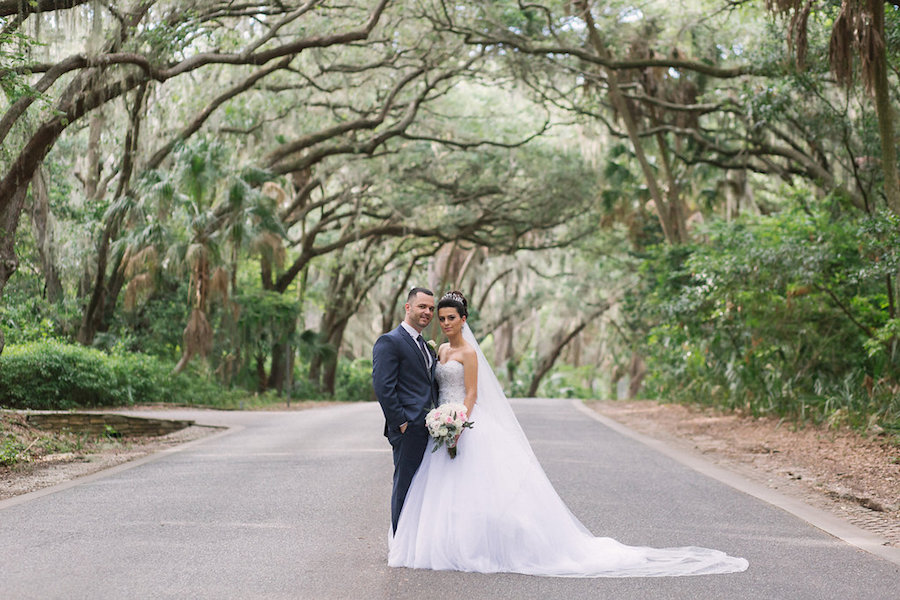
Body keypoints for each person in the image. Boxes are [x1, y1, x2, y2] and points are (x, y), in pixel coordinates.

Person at [388, 291, 749, 577]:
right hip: (442, 425)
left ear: (464, 320)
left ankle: (480, 547)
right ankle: (446, 545)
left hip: (465, 423)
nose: (446, 322)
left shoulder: (468, 353)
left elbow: (471, 393)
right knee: (444, 491)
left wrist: (459, 424)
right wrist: (440, 421)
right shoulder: (440, 349)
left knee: (477, 489)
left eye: (452, 318)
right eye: (442, 317)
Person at [372, 287, 439, 534]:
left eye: (431, 308)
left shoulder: (425, 345)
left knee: (423, 486)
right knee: (405, 486)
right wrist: (401, 422)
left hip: (430, 427)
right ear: (408, 307)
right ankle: (400, 542)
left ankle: (417, 541)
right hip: (409, 427)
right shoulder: (390, 341)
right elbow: (383, 386)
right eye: (422, 306)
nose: (428, 312)